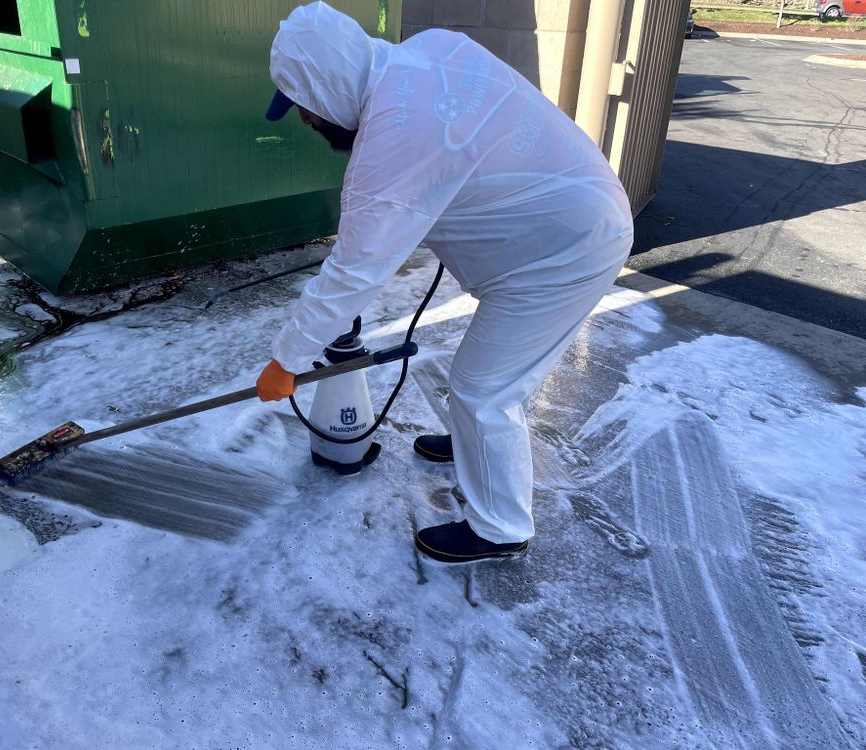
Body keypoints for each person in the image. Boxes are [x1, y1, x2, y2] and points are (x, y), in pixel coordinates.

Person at [255, 2, 634, 564]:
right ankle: (474, 448)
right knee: (490, 374)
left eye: (305, 107)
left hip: (565, 250)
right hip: (572, 216)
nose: (306, 121)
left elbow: (356, 270)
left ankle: (500, 528)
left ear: (329, 85)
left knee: (484, 388)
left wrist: (286, 360)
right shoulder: (431, 49)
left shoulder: (394, 138)